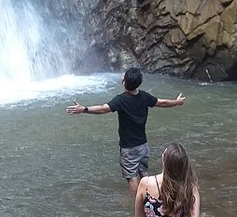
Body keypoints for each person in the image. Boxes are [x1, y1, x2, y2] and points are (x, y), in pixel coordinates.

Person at [66, 67, 186, 196]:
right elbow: (162, 103)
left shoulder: (121, 99)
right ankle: (153, 196)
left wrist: (84, 109)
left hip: (129, 147)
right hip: (143, 145)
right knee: (143, 172)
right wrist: (177, 102)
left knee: (131, 176)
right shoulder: (144, 96)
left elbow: (103, 109)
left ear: (124, 83)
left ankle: (137, 203)